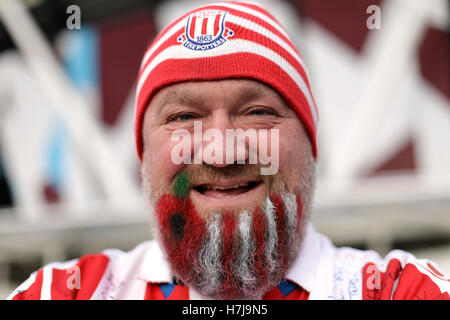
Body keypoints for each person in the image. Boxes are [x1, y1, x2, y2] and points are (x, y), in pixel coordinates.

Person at [8, 1, 449, 300]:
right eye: (183, 118)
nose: (222, 152)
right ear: (143, 152)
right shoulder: (65, 293)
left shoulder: (399, 291)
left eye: (257, 111)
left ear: (311, 144)